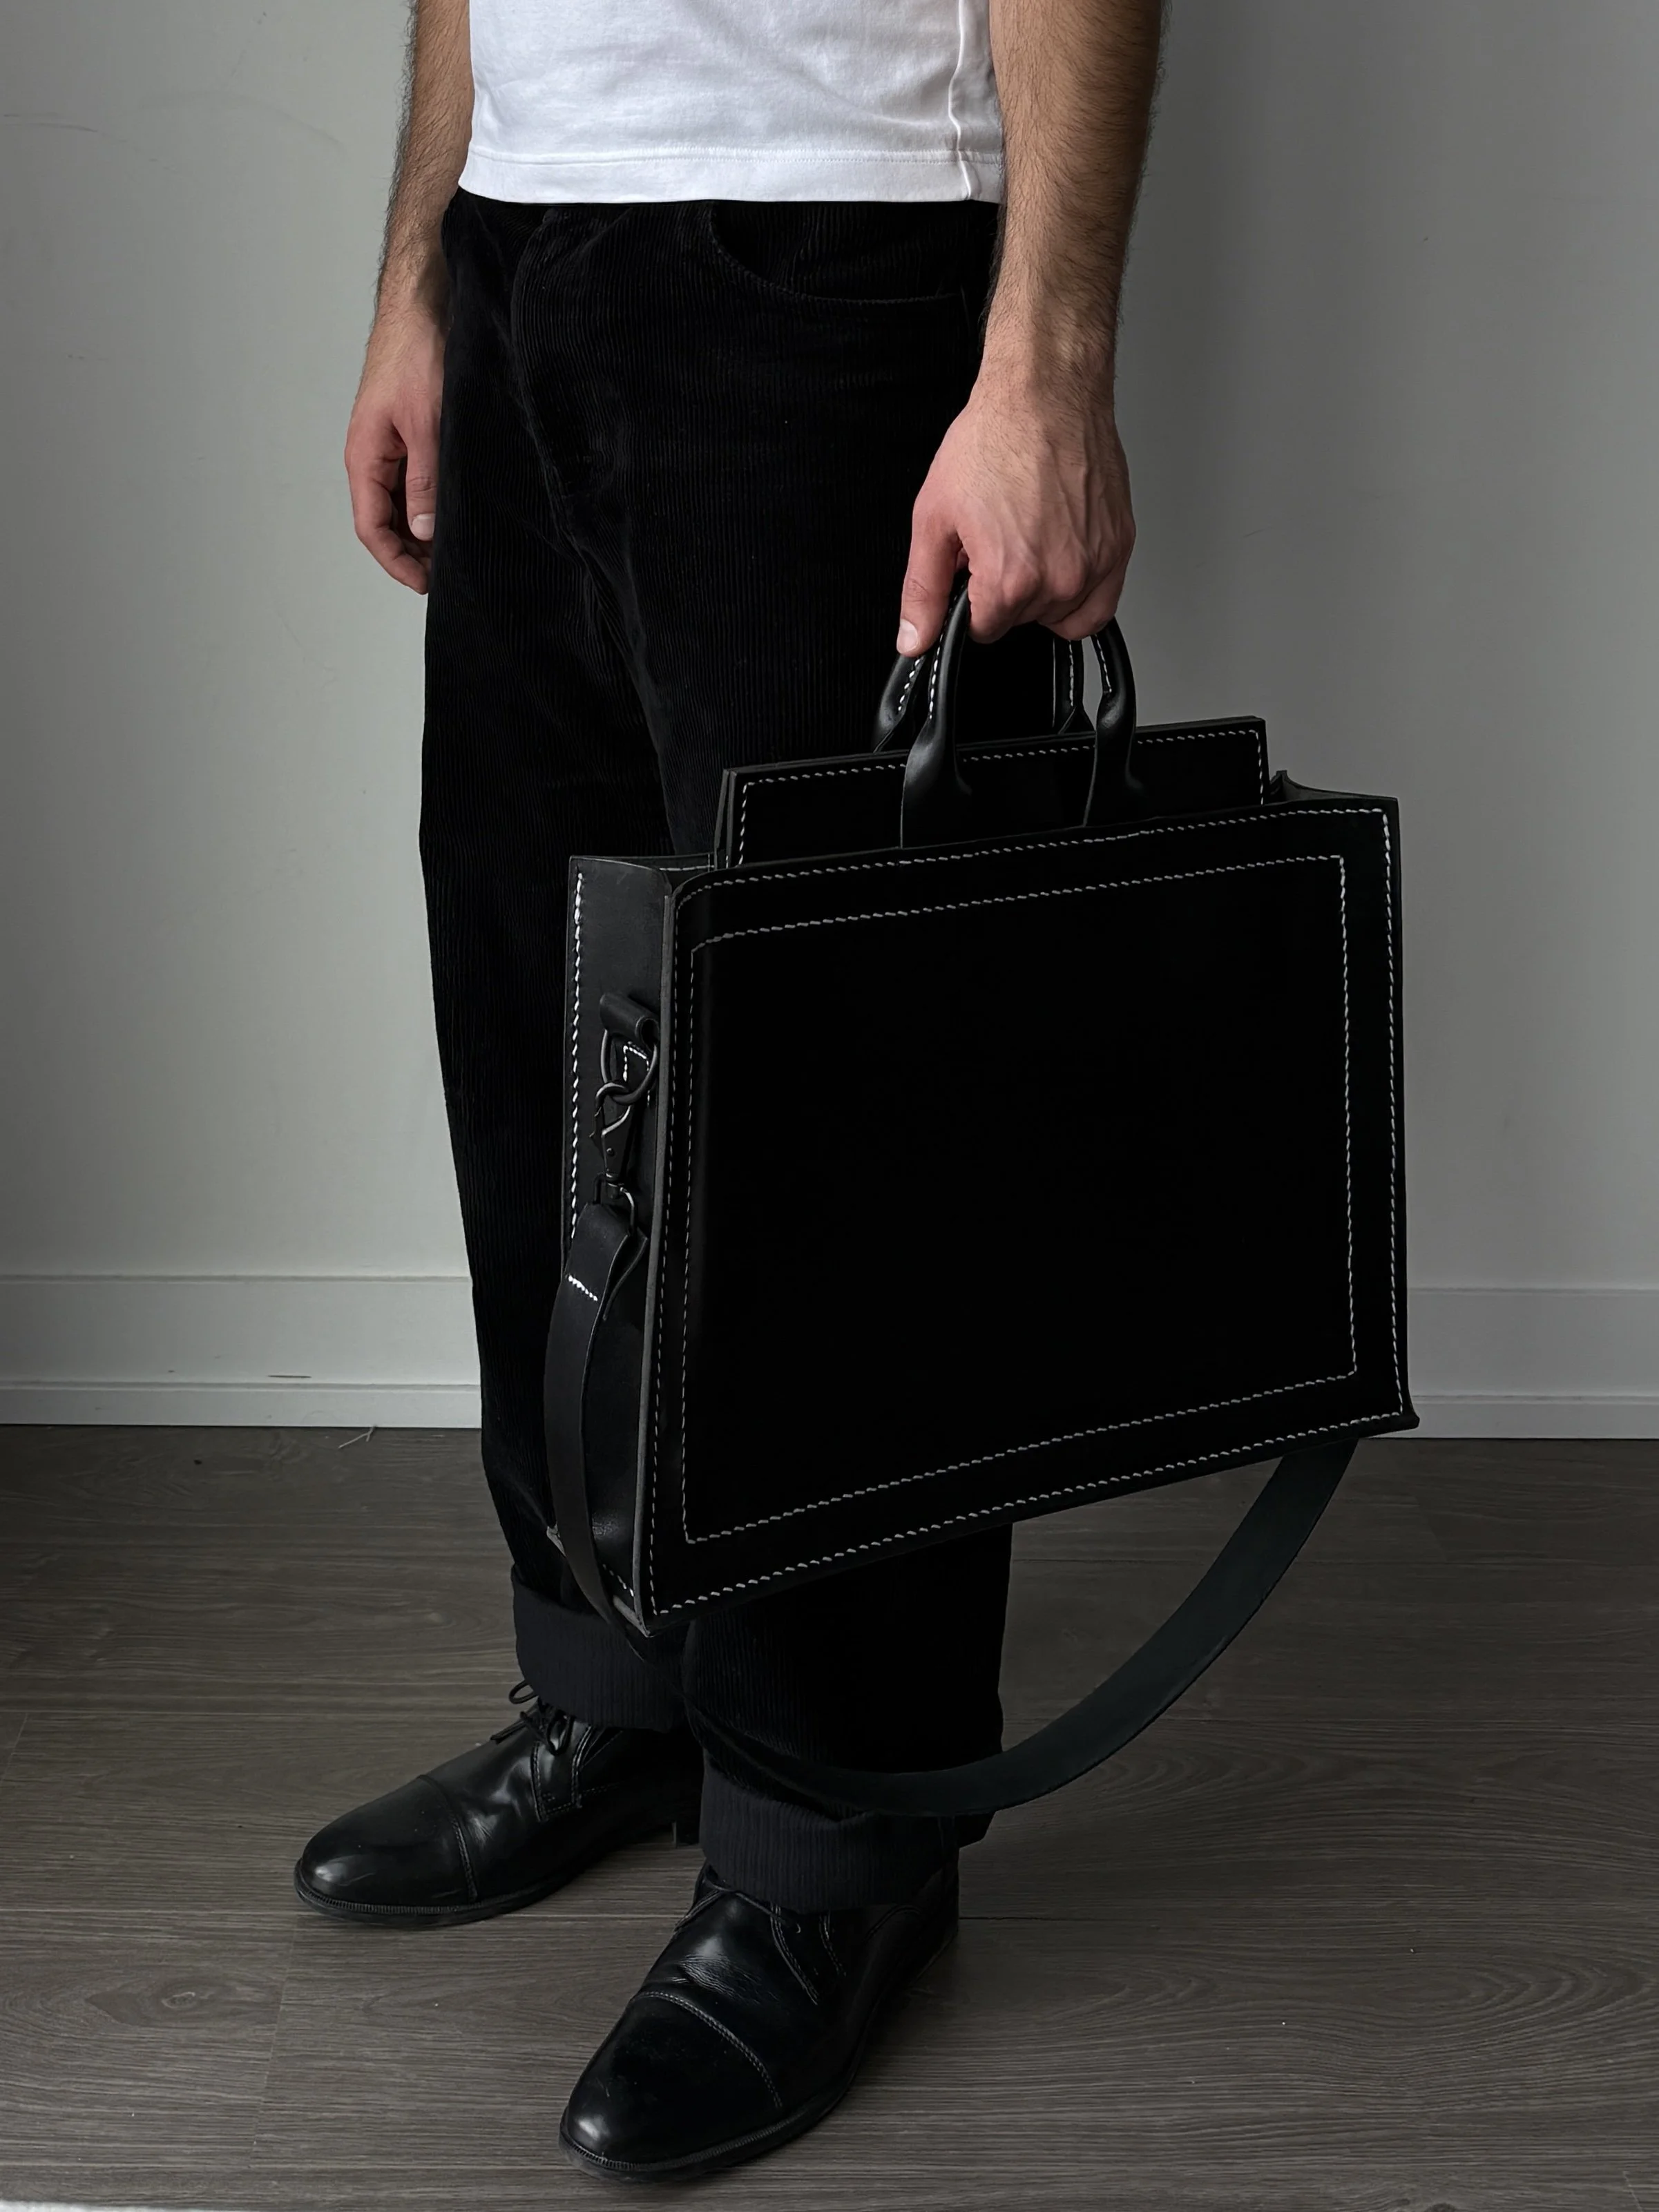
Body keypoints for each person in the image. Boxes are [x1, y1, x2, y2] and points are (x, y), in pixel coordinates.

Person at [295, 0, 1160, 2180]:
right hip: (528, 258)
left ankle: (828, 1857)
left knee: (831, 1124)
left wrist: (1043, 363)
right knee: (544, 1041)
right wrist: (424, 277)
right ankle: (618, 1696)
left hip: (845, 253)